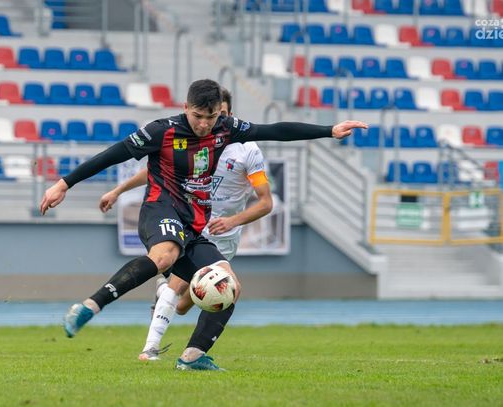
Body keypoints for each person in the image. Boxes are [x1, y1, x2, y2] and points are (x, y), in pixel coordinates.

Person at [40, 78, 368, 371]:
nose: (204, 124)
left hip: (195, 222)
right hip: (160, 208)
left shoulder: (226, 128)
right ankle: (89, 307)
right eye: (198, 116)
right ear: (186, 108)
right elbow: (113, 154)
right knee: (165, 256)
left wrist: (329, 130)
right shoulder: (161, 130)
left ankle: (193, 356)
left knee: (229, 285)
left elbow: (274, 131)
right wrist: (64, 184)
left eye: (210, 117)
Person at [98, 88, 273, 362]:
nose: (208, 123)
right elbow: (154, 171)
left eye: (218, 115)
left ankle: (163, 294)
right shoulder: (193, 142)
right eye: (204, 116)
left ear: (229, 115)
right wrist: (118, 190)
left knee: (183, 305)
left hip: (225, 236)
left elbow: (265, 203)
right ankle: (152, 349)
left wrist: (231, 221)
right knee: (178, 287)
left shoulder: (247, 151)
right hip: (193, 224)